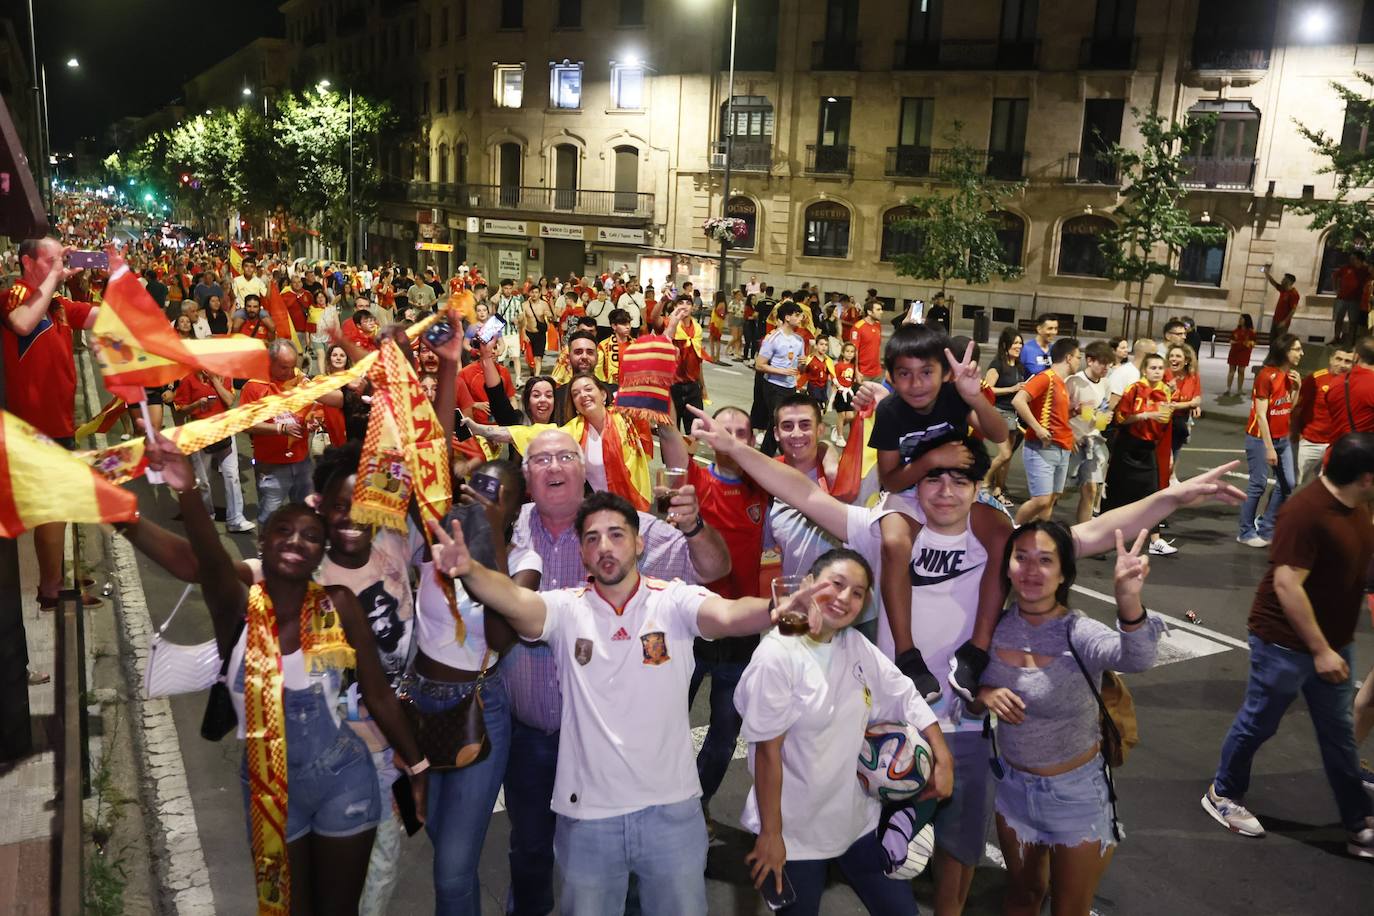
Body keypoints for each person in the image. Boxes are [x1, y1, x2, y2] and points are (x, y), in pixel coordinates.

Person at [141, 432, 428, 914]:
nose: (298, 542)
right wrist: (147, 507)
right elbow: (205, 564)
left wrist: (417, 767)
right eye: (335, 508)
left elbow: (422, 465)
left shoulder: (377, 563)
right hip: (269, 780)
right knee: (286, 905)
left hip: (364, 762)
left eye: (307, 536)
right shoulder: (261, 591)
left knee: (368, 893)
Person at [431, 482, 735, 915]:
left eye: (616, 534)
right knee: (537, 854)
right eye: (592, 538)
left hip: (668, 804)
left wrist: (776, 610)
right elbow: (518, 602)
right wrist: (471, 571)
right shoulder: (566, 605)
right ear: (582, 550)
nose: (605, 546)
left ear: (639, 540)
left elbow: (726, 608)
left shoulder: (672, 599)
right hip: (574, 790)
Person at [736, 548, 951, 916]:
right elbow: (768, 753)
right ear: (806, 584)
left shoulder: (854, 644)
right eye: (835, 584)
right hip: (795, 834)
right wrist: (772, 835)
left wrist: (942, 755)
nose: (844, 598)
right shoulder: (777, 657)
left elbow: (902, 693)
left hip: (856, 821)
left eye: (857, 592)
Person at [975, 522, 1162, 915]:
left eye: (1045, 560)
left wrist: (1128, 601)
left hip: (1076, 797)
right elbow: (966, 683)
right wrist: (984, 692)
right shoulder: (993, 626)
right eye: (1021, 558)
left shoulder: (1077, 631)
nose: (1030, 570)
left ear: (1063, 573)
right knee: (1023, 895)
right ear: (1006, 566)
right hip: (1013, 790)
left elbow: (1137, 658)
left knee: (1069, 909)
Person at [1203, 432, 1374, 859]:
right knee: (1259, 722)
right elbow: (1286, 584)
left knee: (1339, 736)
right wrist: (1319, 650)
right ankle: (1222, 792)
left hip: (1333, 642)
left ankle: (1357, 824)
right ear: (1367, 478)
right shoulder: (1306, 511)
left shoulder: (1356, 507)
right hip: (1283, 644)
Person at [683, 406, 772, 836]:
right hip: (691, 629)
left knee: (722, 738)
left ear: (752, 440)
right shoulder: (693, 478)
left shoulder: (764, 489)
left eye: (742, 432)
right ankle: (661, 804)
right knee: (665, 724)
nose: (733, 438)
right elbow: (665, 444)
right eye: (725, 431)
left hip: (740, 635)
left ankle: (695, 808)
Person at [1, 237, 98, 612]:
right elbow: (23, 323)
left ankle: (57, 577)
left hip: (60, 422)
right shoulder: (15, 294)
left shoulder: (57, 303)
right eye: (53, 258)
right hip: (34, 427)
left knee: (60, 506)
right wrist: (55, 279)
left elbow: (99, 317)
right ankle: (52, 589)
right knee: (53, 508)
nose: (62, 262)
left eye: (64, 257)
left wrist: (117, 279)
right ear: (28, 261)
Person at [871, 324, 1006, 497]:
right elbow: (890, 483)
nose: (916, 384)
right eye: (904, 374)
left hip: (951, 490)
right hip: (905, 495)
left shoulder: (953, 395)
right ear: (891, 377)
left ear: (945, 373)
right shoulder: (889, 411)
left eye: (926, 372)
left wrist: (974, 397)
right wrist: (932, 460)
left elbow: (999, 434)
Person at [241, 339, 325, 525]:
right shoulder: (254, 386)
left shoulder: (300, 380)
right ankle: (265, 554)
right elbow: (245, 424)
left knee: (307, 514)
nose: (289, 372)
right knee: (269, 519)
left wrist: (313, 420)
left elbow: (314, 408)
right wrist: (280, 429)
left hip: (302, 461)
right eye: (283, 367)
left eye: (293, 366)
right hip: (271, 466)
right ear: (269, 362)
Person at [1104, 354, 1174, 552]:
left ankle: (1155, 540)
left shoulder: (1165, 392)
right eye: (1153, 367)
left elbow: (1164, 422)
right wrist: (1146, 415)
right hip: (1128, 445)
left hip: (1148, 447)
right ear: (1144, 370)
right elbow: (1120, 418)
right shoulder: (1134, 389)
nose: (1157, 371)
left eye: (1161, 368)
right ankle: (1104, 535)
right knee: (1117, 493)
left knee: (1152, 494)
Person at [1239, 334, 1303, 548]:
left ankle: (1266, 527)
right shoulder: (1266, 375)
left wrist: (1297, 388)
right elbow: (1261, 415)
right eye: (1296, 349)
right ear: (1285, 351)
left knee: (1288, 484)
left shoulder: (1289, 376)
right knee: (1257, 485)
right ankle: (1245, 532)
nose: (1301, 353)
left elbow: (1286, 409)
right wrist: (1269, 448)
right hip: (1259, 438)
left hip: (1282, 437)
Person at [172, 370, 254, 534]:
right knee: (202, 480)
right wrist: (196, 405)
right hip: (200, 433)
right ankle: (206, 515)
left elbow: (230, 400)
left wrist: (215, 380)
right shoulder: (188, 380)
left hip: (224, 431)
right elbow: (179, 410)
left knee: (232, 475)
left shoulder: (225, 376)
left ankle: (236, 519)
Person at [1012, 338, 1080, 526]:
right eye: (1078, 357)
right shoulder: (1045, 378)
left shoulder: (1061, 383)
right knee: (1041, 500)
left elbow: (1055, 415)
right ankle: (1012, 532)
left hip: (1061, 448)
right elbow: (1018, 400)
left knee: (1050, 499)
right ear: (1068, 358)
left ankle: (1036, 535)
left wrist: (1073, 413)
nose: (1078, 361)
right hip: (1042, 448)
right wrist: (1038, 428)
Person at [1066, 341, 1115, 526]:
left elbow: (1101, 410)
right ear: (1089, 361)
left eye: (1109, 364)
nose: (1106, 368)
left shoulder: (1106, 384)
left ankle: (1082, 534)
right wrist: (1069, 435)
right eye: (1102, 363)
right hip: (1072, 440)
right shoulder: (1074, 382)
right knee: (1057, 492)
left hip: (1092, 439)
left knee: (1091, 489)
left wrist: (1103, 418)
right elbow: (1060, 412)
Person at [1292, 345, 1354, 484]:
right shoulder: (1314, 379)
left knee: (1326, 488)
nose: (1342, 364)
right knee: (1294, 484)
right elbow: (1297, 409)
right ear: (1330, 359)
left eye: (1347, 361)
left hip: (1336, 446)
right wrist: (1295, 434)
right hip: (1309, 443)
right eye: (1338, 359)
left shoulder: (1354, 383)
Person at [755, 301, 808, 455]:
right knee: (780, 421)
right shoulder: (773, 339)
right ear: (787, 317)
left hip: (790, 386)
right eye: (797, 315)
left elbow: (800, 368)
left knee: (779, 422)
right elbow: (759, 365)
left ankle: (766, 455)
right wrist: (781, 371)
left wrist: (803, 365)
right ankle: (785, 455)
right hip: (773, 385)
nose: (800, 318)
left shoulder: (799, 340)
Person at [983, 328, 1026, 509]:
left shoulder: (1018, 366)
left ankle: (999, 491)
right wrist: (1012, 389)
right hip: (999, 412)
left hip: (1014, 415)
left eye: (1020, 343)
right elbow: (987, 388)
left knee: (1007, 457)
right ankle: (984, 483)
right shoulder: (997, 365)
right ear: (1005, 345)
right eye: (1015, 343)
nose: (1018, 346)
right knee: (1005, 453)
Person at [1163, 343, 1203, 486]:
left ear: (1186, 360)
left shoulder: (1193, 376)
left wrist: (1188, 405)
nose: (1173, 359)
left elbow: (1197, 398)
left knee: (1176, 448)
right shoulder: (1164, 374)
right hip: (1166, 419)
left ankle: (1172, 476)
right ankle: (1163, 479)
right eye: (1171, 356)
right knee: (1167, 453)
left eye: (1178, 356)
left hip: (1183, 419)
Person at [1332, 250, 1369, 347]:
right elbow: (1335, 276)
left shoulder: (1366, 270)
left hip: (1356, 300)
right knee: (1338, 318)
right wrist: (1336, 289)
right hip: (1342, 298)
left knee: (1353, 321)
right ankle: (1336, 337)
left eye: (1353, 259)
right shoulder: (1346, 268)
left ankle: (1350, 341)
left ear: (1359, 260)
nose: (1351, 260)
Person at [594, 307, 632, 397]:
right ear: (614, 326)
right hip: (611, 390)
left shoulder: (637, 344)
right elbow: (598, 372)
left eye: (629, 323)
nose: (628, 327)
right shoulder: (603, 346)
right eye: (623, 324)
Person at [849, 298, 885, 381]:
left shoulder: (878, 325)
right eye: (878, 310)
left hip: (877, 372)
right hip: (863, 373)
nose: (881, 312)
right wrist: (856, 371)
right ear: (869, 312)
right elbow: (854, 351)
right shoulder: (858, 327)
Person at [1224, 313, 1257, 397]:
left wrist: (1248, 344)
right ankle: (1228, 388)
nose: (1240, 320)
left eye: (1241, 319)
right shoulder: (1235, 331)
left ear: (1246, 320)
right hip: (1234, 352)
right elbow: (1230, 340)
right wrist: (1235, 342)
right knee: (1231, 371)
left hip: (1244, 353)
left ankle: (1239, 389)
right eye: (1240, 319)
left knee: (1241, 371)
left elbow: (1254, 342)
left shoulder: (1251, 332)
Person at [1265, 265, 1300, 339]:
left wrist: (1285, 322)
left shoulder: (1294, 294)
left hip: (1282, 323)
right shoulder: (1283, 290)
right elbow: (1274, 283)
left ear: (1289, 281)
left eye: (1284, 279)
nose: (1282, 280)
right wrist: (1266, 273)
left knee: (1279, 342)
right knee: (1272, 340)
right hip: (1275, 320)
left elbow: (1293, 310)